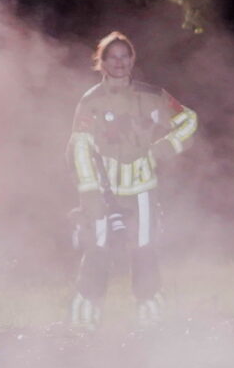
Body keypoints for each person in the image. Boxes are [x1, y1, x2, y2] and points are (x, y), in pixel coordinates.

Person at [67, 31, 198, 330]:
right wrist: (88, 193)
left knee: (144, 248)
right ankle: (84, 322)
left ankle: (151, 320)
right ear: (101, 62)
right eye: (112, 57)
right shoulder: (91, 102)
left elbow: (189, 121)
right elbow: (80, 147)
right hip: (102, 189)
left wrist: (164, 148)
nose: (119, 63)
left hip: (142, 189)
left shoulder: (152, 95)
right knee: (97, 250)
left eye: (124, 56)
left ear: (132, 60)